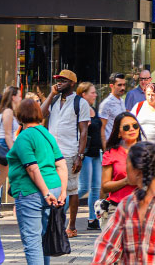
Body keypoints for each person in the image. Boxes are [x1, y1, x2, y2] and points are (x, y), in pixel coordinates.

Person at [6, 98, 68, 265]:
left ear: (20, 116)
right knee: (43, 239)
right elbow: (61, 164)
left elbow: (32, 168)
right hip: (54, 189)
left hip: (31, 192)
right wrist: (62, 192)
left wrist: (45, 192)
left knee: (32, 242)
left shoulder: (23, 137)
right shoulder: (46, 134)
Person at [41, 69, 89, 238]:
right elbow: (40, 114)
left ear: (72, 83)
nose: (59, 82)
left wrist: (80, 155)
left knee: (71, 189)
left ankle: (72, 226)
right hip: (50, 152)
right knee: (52, 188)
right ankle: (54, 224)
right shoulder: (53, 100)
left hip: (69, 152)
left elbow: (84, 131)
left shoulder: (80, 103)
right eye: (58, 80)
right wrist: (50, 95)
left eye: (63, 80)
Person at [101, 112, 143, 215]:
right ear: (118, 133)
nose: (132, 129)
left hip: (142, 208)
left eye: (135, 125)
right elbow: (105, 186)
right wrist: (126, 181)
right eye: (126, 127)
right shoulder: (111, 153)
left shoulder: (147, 151)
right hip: (117, 209)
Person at [0, 85, 20, 219]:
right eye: (19, 95)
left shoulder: (7, 111)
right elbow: (7, 135)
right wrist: (15, 152)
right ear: (13, 96)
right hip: (5, 147)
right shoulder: (8, 112)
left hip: (5, 147)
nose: (20, 98)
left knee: (0, 181)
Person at [75, 82, 103, 231]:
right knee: (83, 186)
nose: (95, 95)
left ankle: (93, 219)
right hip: (85, 154)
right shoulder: (80, 110)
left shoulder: (92, 109)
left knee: (95, 188)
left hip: (96, 153)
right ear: (83, 94)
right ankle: (60, 207)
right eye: (92, 92)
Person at [98, 73, 127, 141]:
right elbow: (102, 128)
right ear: (111, 86)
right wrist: (105, 148)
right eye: (119, 85)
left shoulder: (122, 101)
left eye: (124, 85)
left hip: (122, 142)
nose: (122, 88)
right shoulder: (106, 104)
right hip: (111, 143)